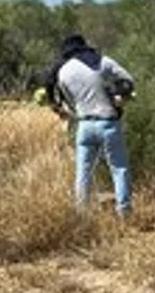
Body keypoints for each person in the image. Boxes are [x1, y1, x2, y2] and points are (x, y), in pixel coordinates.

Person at [43, 34, 136, 216]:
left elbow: (66, 101)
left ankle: (81, 214)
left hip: (84, 126)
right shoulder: (103, 61)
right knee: (119, 169)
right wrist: (118, 96)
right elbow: (128, 81)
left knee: (83, 173)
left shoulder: (63, 71)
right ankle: (124, 213)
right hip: (108, 123)